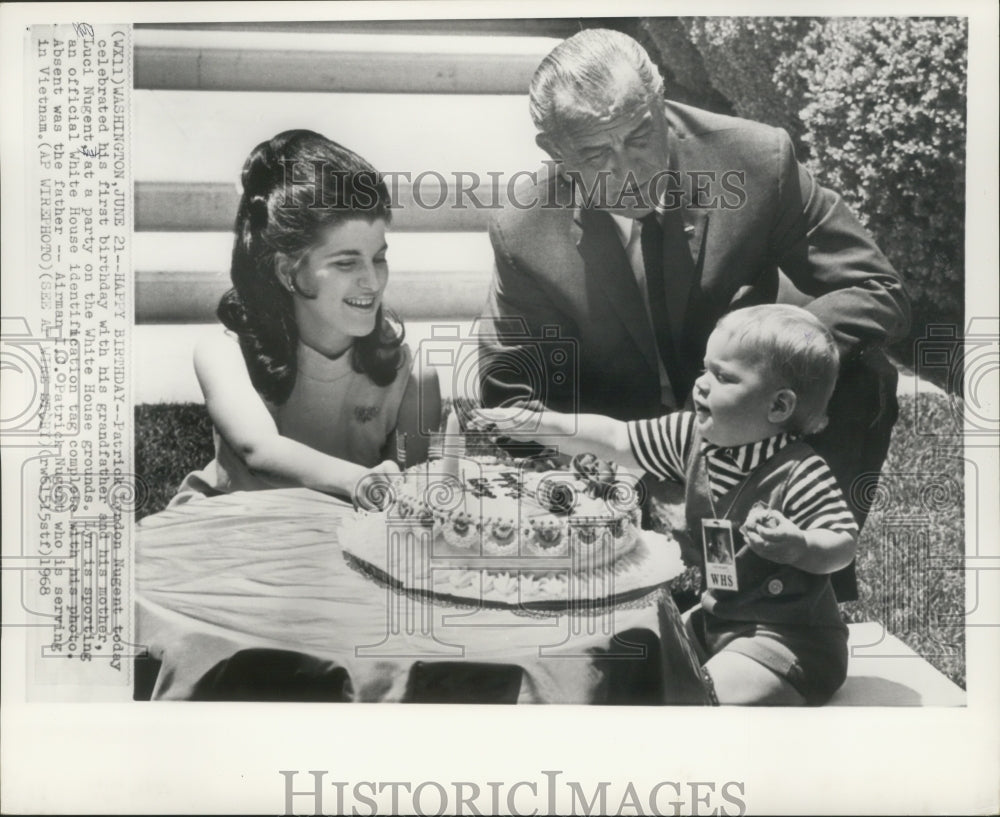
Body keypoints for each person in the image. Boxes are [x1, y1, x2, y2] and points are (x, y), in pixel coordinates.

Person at [478, 28, 910, 598]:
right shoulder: (524, 231)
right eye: (595, 153)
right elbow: (510, 396)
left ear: (660, 104)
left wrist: (762, 357)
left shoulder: (757, 160)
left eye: (640, 136)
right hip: (623, 438)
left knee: (861, 375)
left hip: (747, 414)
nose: (628, 170)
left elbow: (874, 285)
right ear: (554, 149)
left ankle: (795, 586)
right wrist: (627, 468)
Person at [479, 305, 857, 705]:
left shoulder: (798, 471)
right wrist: (540, 426)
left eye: (723, 376)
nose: (701, 384)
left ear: (779, 407)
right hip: (718, 619)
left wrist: (801, 545)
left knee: (694, 698)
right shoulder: (690, 436)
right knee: (632, 656)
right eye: (704, 368)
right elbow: (616, 438)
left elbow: (842, 543)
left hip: (787, 640)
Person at [171, 130, 441, 509]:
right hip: (230, 529)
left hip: (341, 541)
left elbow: (405, 504)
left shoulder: (413, 378)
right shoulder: (224, 352)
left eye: (378, 257)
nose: (372, 279)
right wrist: (362, 480)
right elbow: (258, 449)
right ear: (289, 272)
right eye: (346, 262)